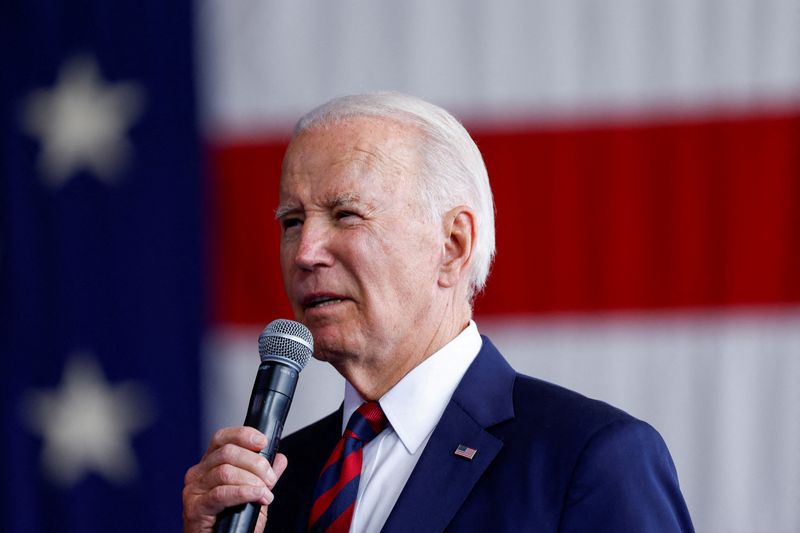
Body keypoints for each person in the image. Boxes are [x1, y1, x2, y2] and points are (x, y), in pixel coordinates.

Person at [182, 92, 694, 533]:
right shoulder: (272, 486)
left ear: (452, 245)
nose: (305, 252)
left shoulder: (588, 459)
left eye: (346, 215)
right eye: (292, 222)